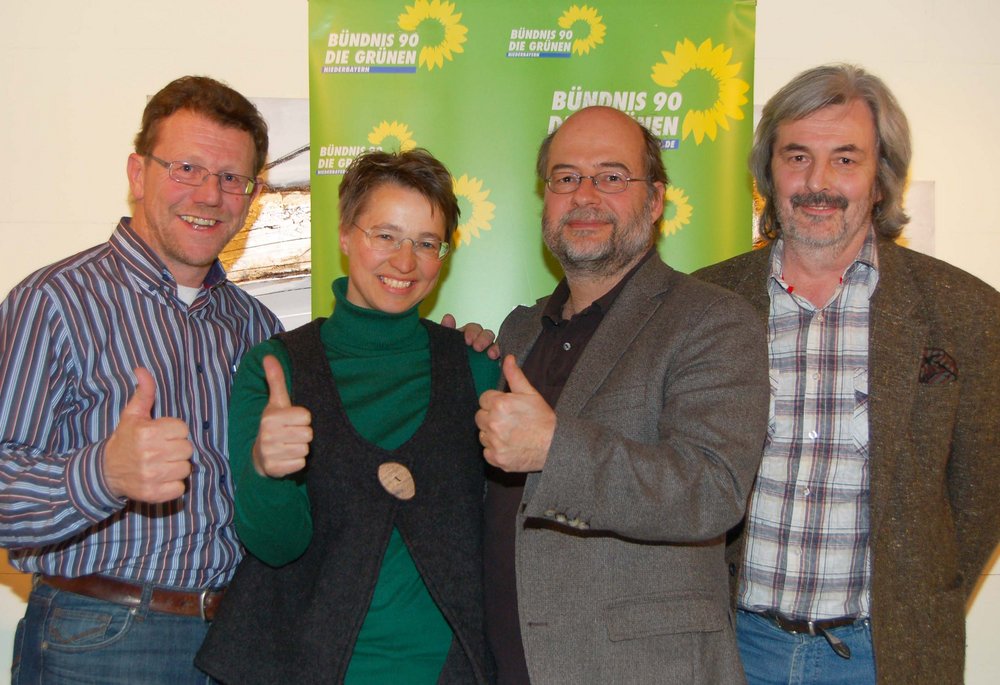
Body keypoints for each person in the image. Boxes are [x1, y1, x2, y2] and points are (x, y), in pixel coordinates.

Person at [694, 64, 1000, 685]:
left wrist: (915, 599)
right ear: (768, 173)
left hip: (884, 658)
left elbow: (980, 500)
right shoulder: (704, 304)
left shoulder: (967, 313)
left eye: (845, 159)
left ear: (881, 178)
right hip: (730, 650)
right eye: (797, 157)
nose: (818, 183)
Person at [0, 75, 281, 684]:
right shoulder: (53, 301)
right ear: (137, 173)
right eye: (186, 168)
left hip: (238, 637)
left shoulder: (256, 326)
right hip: (102, 639)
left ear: (253, 194)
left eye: (232, 178)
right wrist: (102, 473)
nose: (209, 194)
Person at [475, 105, 770, 684]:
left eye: (611, 176)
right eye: (565, 177)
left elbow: (713, 490)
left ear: (655, 200)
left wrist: (554, 449)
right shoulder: (520, 329)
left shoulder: (712, 320)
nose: (584, 196)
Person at [195, 149, 500, 684]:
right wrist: (267, 471)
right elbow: (275, 546)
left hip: (448, 670)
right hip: (309, 667)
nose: (405, 262)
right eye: (385, 235)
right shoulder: (277, 368)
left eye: (426, 243)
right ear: (344, 235)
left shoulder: (476, 366)